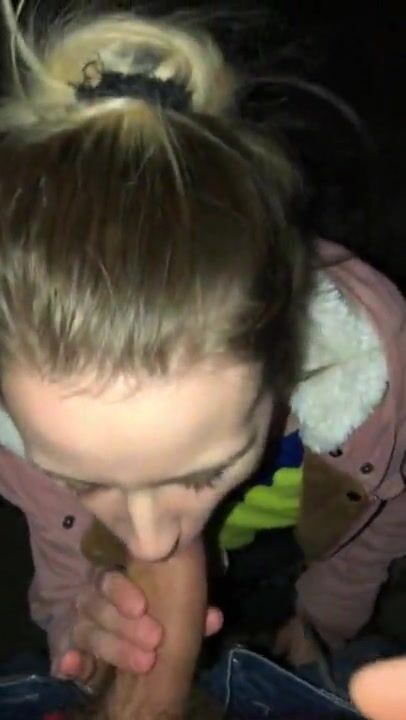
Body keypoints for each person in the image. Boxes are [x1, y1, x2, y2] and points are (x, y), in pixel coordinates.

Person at [0, 0, 405, 709]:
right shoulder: (22, 409)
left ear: (287, 346)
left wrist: (326, 621)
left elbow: (383, 516)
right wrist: (80, 629)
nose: (152, 540)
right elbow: (61, 570)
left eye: (204, 472)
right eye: (80, 479)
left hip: (305, 525)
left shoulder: (380, 373)